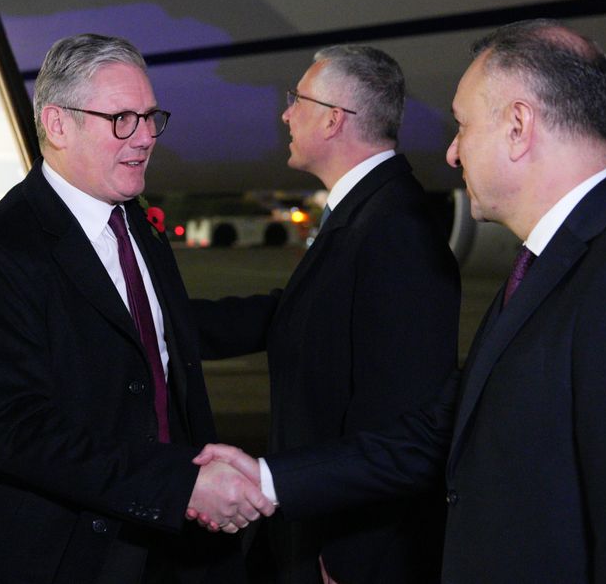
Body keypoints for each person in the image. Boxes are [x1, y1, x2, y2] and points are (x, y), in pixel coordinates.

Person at [192, 19, 606, 583]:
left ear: (517, 126)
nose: (454, 154)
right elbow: (437, 430)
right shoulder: (553, 262)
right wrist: (268, 478)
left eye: (462, 126)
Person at [0, 33, 274, 583]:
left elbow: (166, 330)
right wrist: (177, 483)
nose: (144, 138)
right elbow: (19, 432)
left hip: (160, 543)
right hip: (58, 554)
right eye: (121, 120)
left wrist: (301, 310)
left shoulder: (133, 221)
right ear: (58, 124)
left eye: (150, 117)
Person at [194, 46, 459, 584]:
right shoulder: (367, 213)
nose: (286, 113)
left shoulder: (394, 230)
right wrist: (158, 324)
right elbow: (295, 315)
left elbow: (403, 426)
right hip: (313, 525)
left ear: (335, 118)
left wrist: (352, 557)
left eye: (298, 100)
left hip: (343, 550)